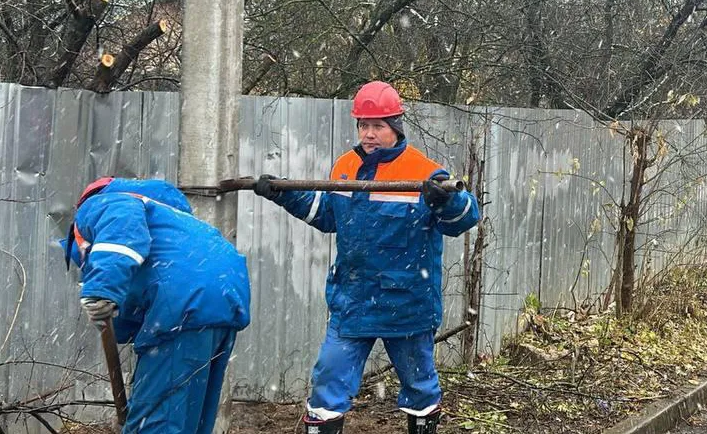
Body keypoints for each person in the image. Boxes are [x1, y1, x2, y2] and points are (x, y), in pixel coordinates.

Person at [253, 81, 480, 434]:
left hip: (407, 307)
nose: (369, 134)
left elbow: (464, 219)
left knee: (421, 391)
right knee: (327, 388)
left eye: (377, 126)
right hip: (353, 304)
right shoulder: (345, 167)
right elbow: (327, 215)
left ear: (395, 126)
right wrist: (284, 194)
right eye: (363, 125)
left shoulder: (425, 173)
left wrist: (447, 200)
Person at [60, 177, 251, 434]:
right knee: (191, 420)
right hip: (225, 297)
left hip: (183, 299)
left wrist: (101, 289)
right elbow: (128, 316)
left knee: (157, 423)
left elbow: (121, 226)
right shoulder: (170, 219)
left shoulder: (102, 203)